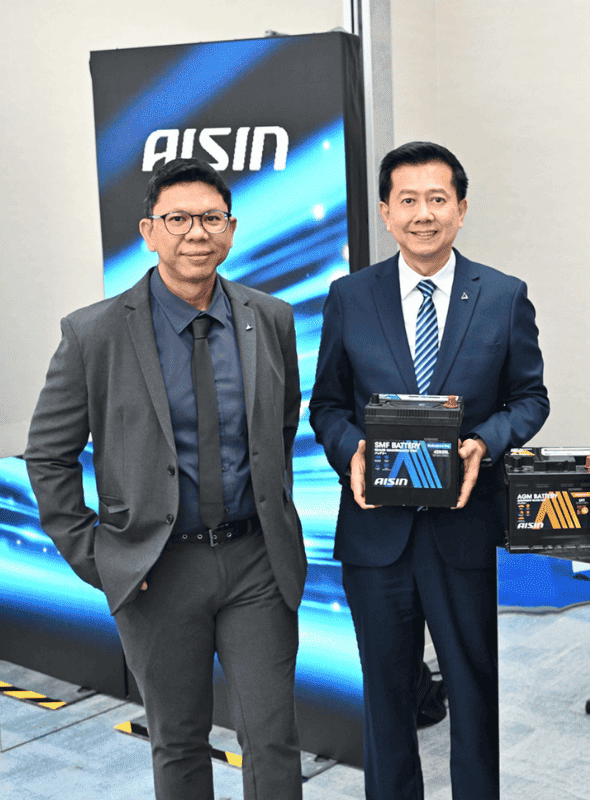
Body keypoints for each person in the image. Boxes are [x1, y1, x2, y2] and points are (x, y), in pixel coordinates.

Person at [25, 158, 305, 799]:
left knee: (272, 738)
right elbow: (48, 456)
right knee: (178, 743)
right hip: (158, 569)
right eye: (178, 219)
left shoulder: (271, 318)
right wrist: (99, 557)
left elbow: (281, 428)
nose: (196, 233)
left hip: (257, 564)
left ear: (231, 229)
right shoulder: (93, 333)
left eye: (211, 218)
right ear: (149, 231)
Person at [309, 141, 549, 799]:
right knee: (385, 699)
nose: (423, 214)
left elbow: (530, 399)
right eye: (408, 200)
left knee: (472, 690)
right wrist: (351, 451)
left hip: (461, 528)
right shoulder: (349, 297)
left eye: (437, 199)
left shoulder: (502, 296)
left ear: (461, 209)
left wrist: (485, 444)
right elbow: (327, 405)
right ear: (386, 212)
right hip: (375, 533)